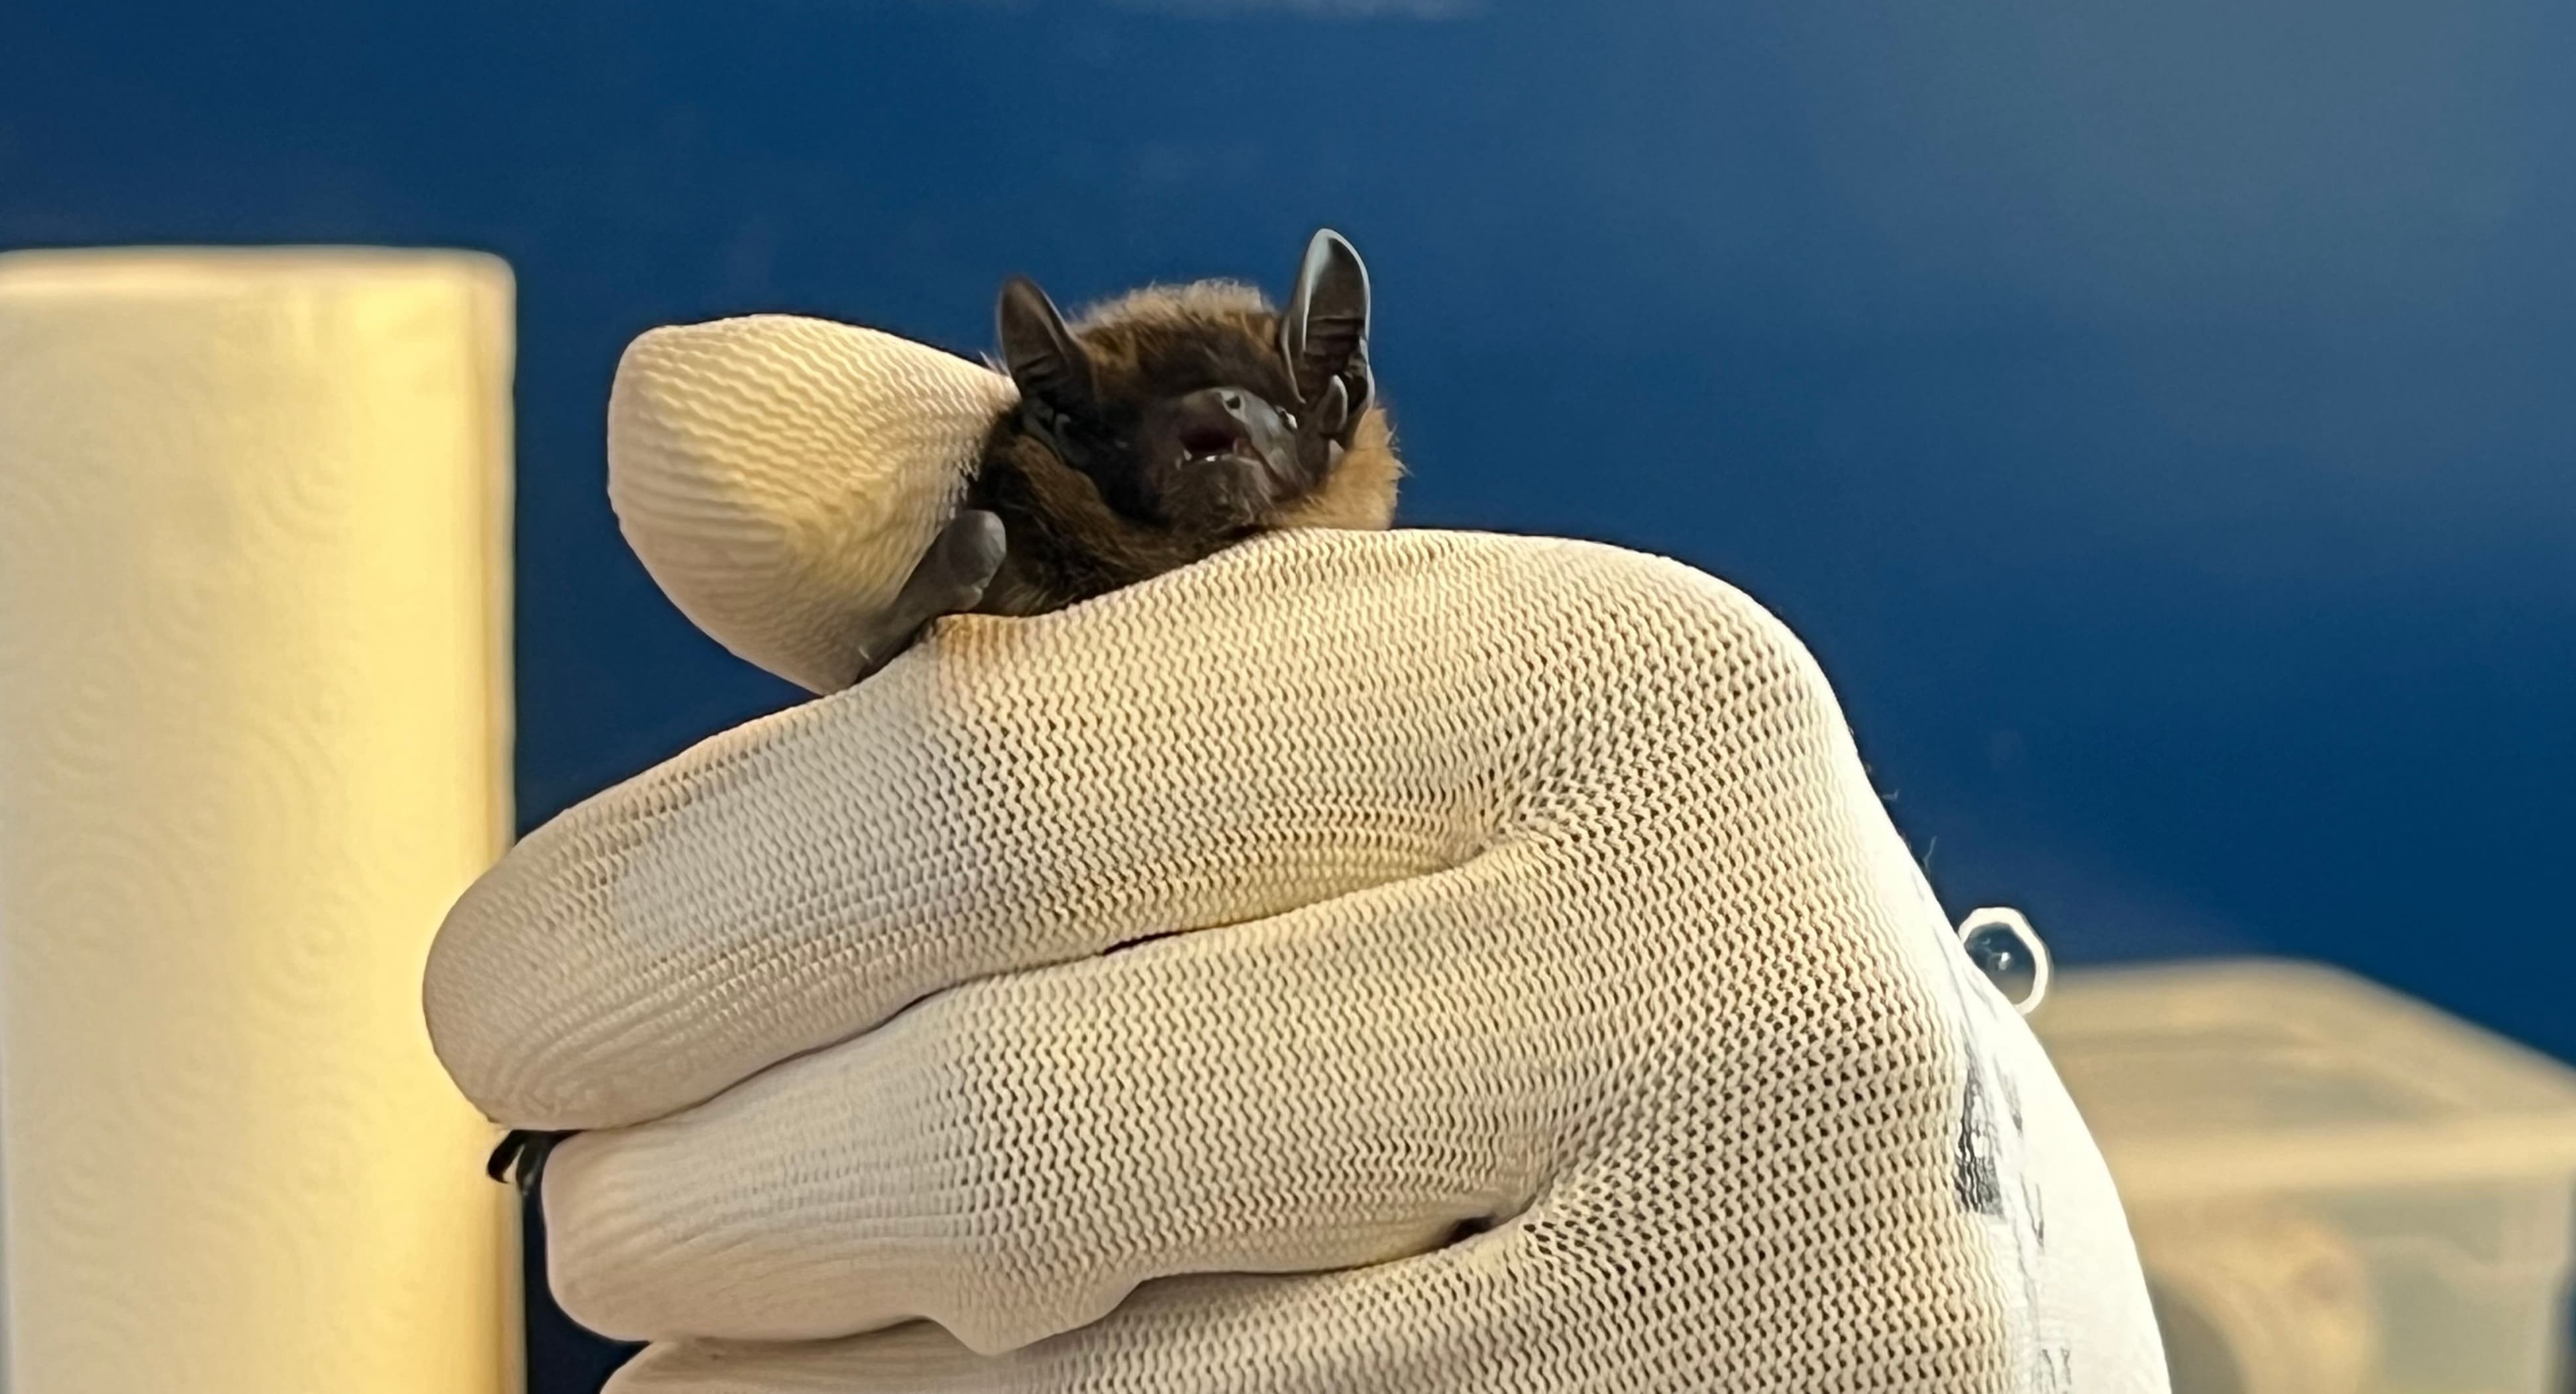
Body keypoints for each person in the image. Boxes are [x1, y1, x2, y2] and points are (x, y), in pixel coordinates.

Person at [422, 315, 2171, 1393]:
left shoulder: (1548, 728)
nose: (1215, 455)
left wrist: (2014, 1254)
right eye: (1154, 433)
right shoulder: (999, 584)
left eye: (1255, 421)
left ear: (1330, 418)